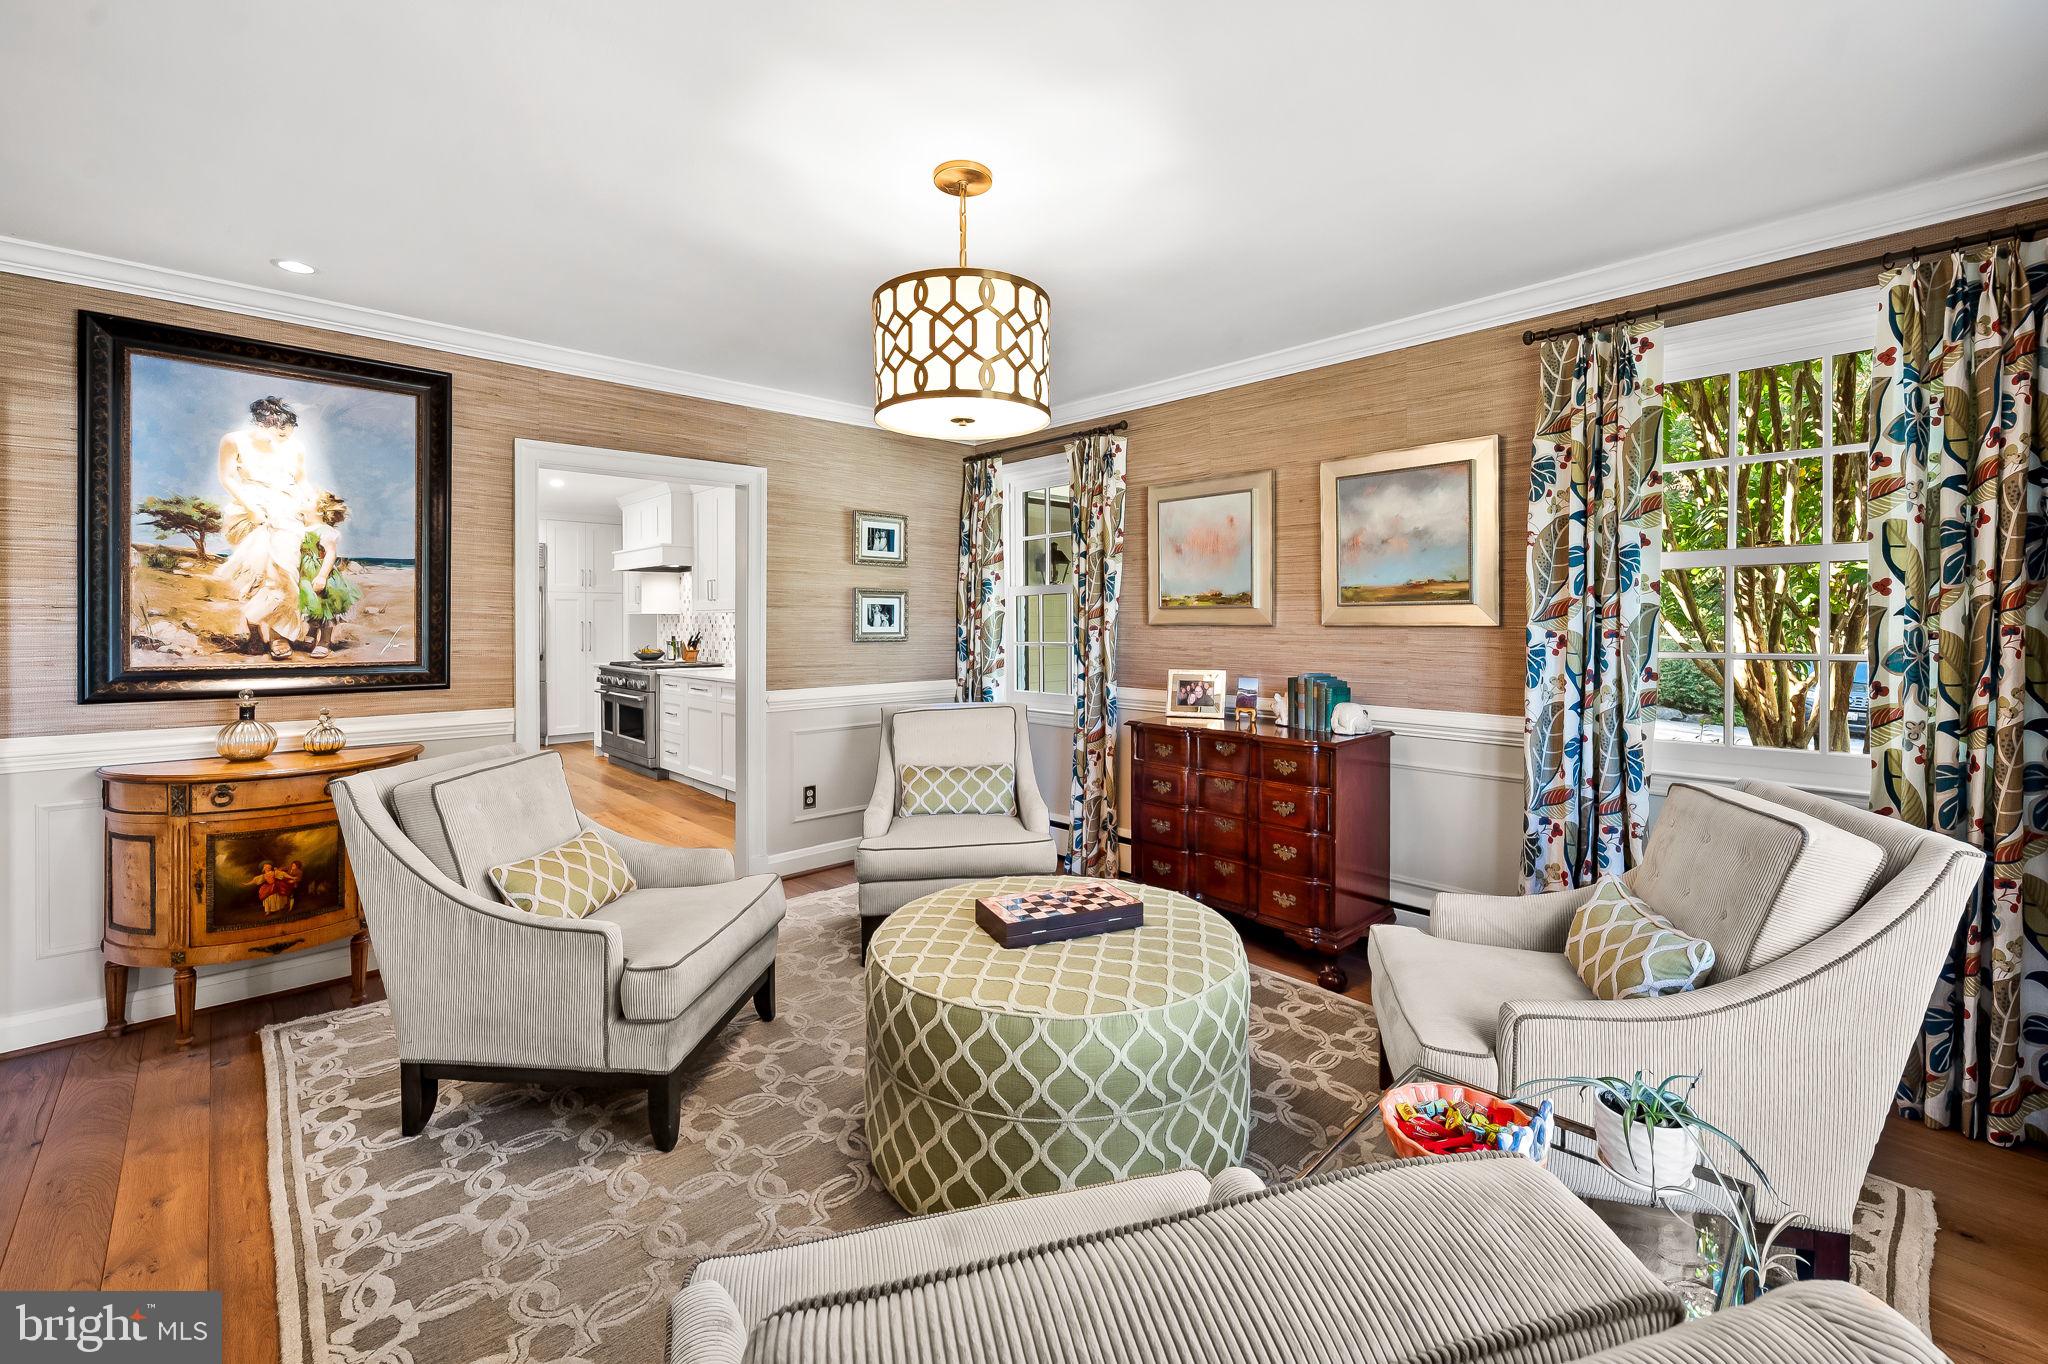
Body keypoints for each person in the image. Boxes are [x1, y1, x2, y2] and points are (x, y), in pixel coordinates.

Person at [215, 396, 318, 658]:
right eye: (280, 432)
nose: (285, 437)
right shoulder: (233, 440)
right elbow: (227, 477)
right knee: (258, 578)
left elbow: (302, 480)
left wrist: (310, 502)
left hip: (287, 512)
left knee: (284, 576)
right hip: (250, 510)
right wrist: (250, 507)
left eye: (288, 432)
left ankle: (278, 636)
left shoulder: (296, 447)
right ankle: (256, 634)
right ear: (264, 423)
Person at [298, 491, 359, 657]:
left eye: (309, 498)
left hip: (320, 573)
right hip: (304, 574)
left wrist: (322, 576)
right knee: (310, 604)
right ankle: (311, 631)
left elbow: (331, 553)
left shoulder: (324, 530)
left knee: (325, 606)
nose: (303, 497)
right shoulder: (301, 528)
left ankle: (325, 640)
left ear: (319, 510)